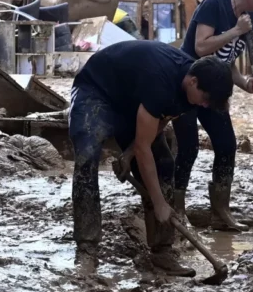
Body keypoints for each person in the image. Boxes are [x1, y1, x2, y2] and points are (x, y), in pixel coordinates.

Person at [69, 41, 233, 276]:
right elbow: (144, 146)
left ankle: (162, 251)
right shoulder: (162, 82)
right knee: (87, 154)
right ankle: (87, 248)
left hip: (136, 101)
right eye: (205, 99)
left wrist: (128, 153)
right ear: (193, 81)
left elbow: (162, 119)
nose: (205, 105)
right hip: (97, 90)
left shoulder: (192, 90)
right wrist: (159, 203)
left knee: (164, 164)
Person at [173, 0, 253, 231]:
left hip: (216, 89)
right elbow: (201, 46)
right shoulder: (215, 5)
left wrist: (245, 83)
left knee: (227, 144)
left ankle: (220, 211)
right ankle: (177, 209)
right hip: (190, 85)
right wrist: (235, 31)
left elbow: (227, 60)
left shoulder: (246, 20)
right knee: (188, 148)